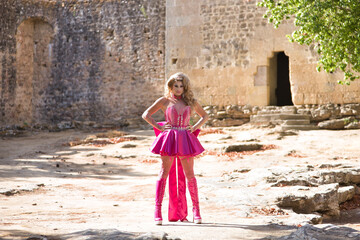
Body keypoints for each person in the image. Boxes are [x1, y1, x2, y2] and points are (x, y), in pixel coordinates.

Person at [142, 72, 209, 225]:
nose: (179, 89)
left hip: (185, 138)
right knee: (164, 172)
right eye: (176, 86)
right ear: (170, 86)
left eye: (181, 86)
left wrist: (195, 127)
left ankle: (196, 211)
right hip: (170, 138)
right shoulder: (164, 101)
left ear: (185, 88)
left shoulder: (190, 101)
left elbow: (205, 116)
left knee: (190, 174)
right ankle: (157, 210)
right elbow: (146, 114)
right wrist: (157, 125)